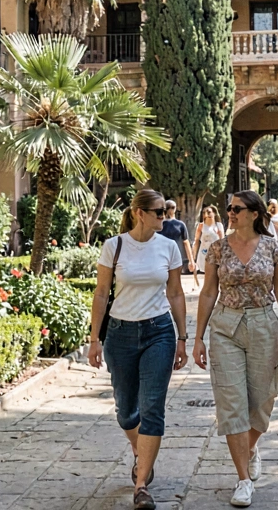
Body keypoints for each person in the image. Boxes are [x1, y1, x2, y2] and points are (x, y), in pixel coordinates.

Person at [193, 191, 278, 508]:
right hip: (225, 326)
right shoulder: (217, 249)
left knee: (264, 397)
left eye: (236, 208)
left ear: (254, 213)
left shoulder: (272, 246)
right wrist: (197, 337)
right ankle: (243, 479)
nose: (230, 213)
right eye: (228, 208)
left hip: (264, 324)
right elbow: (209, 293)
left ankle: (250, 448)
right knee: (231, 400)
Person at [89, 189, 190, 510]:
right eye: (159, 212)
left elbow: (175, 293)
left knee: (152, 409)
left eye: (165, 212)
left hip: (159, 332)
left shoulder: (169, 246)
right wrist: (93, 339)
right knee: (126, 411)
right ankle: (139, 450)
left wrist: (184, 337)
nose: (165, 217)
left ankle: (142, 484)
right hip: (119, 335)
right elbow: (102, 293)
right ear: (139, 213)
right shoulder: (114, 246)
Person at [158, 200, 194, 276]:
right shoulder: (180, 225)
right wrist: (191, 261)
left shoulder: (159, 224)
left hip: (164, 256)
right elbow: (186, 244)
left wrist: (191, 261)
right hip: (173, 257)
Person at [192, 205, 226, 286]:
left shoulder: (218, 225)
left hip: (216, 252)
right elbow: (196, 240)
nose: (207, 214)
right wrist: (193, 256)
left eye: (209, 212)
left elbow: (223, 241)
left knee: (215, 272)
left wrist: (220, 235)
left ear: (214, 213)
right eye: (205, 213)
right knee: (206, 272)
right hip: (204, 252)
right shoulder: (201, 226)